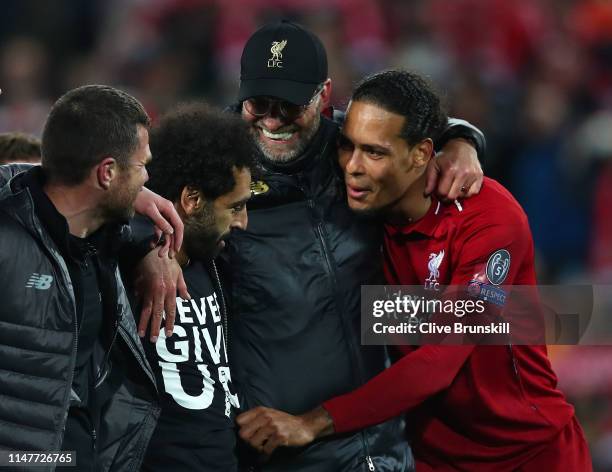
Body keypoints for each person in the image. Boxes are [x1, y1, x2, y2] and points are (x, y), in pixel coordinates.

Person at [236, 70, 592, 471]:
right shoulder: (363, 206)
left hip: (530, 455)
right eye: (347, 147)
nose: (353, 167)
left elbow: (438, 363)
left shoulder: (488, 217)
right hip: (433, 460)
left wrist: (312, 423)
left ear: (422, 154)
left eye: (374, 152)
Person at [221, 20, 486, 471]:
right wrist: (156, 252)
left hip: (382, 446)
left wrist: (460, 140)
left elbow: (414, 128)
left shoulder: (356, 148)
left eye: (288, 105)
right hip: (283, 449)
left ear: (324, 95)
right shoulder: (213, 170)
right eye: (259, 103)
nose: (272, 119)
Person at [0, 84, 182, 470]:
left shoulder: (104, 240)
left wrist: (153, 252)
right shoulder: (9, 235)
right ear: (107, 172)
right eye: (142, 165)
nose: (147, 179)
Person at [138, 103, 254, 472]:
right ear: (192, 199)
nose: (243, 222)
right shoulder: (126, 268)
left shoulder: (216, 265)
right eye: (235, 207)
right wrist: (142, 243)